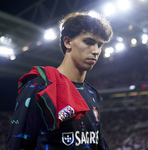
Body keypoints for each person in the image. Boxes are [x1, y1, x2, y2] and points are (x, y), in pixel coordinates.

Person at [6, 11, 113, 150]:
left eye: (99, 45)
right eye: (88, 42)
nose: (96, 51)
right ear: (68, 42)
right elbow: (17, 143)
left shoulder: (93, 94)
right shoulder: (39, 86)